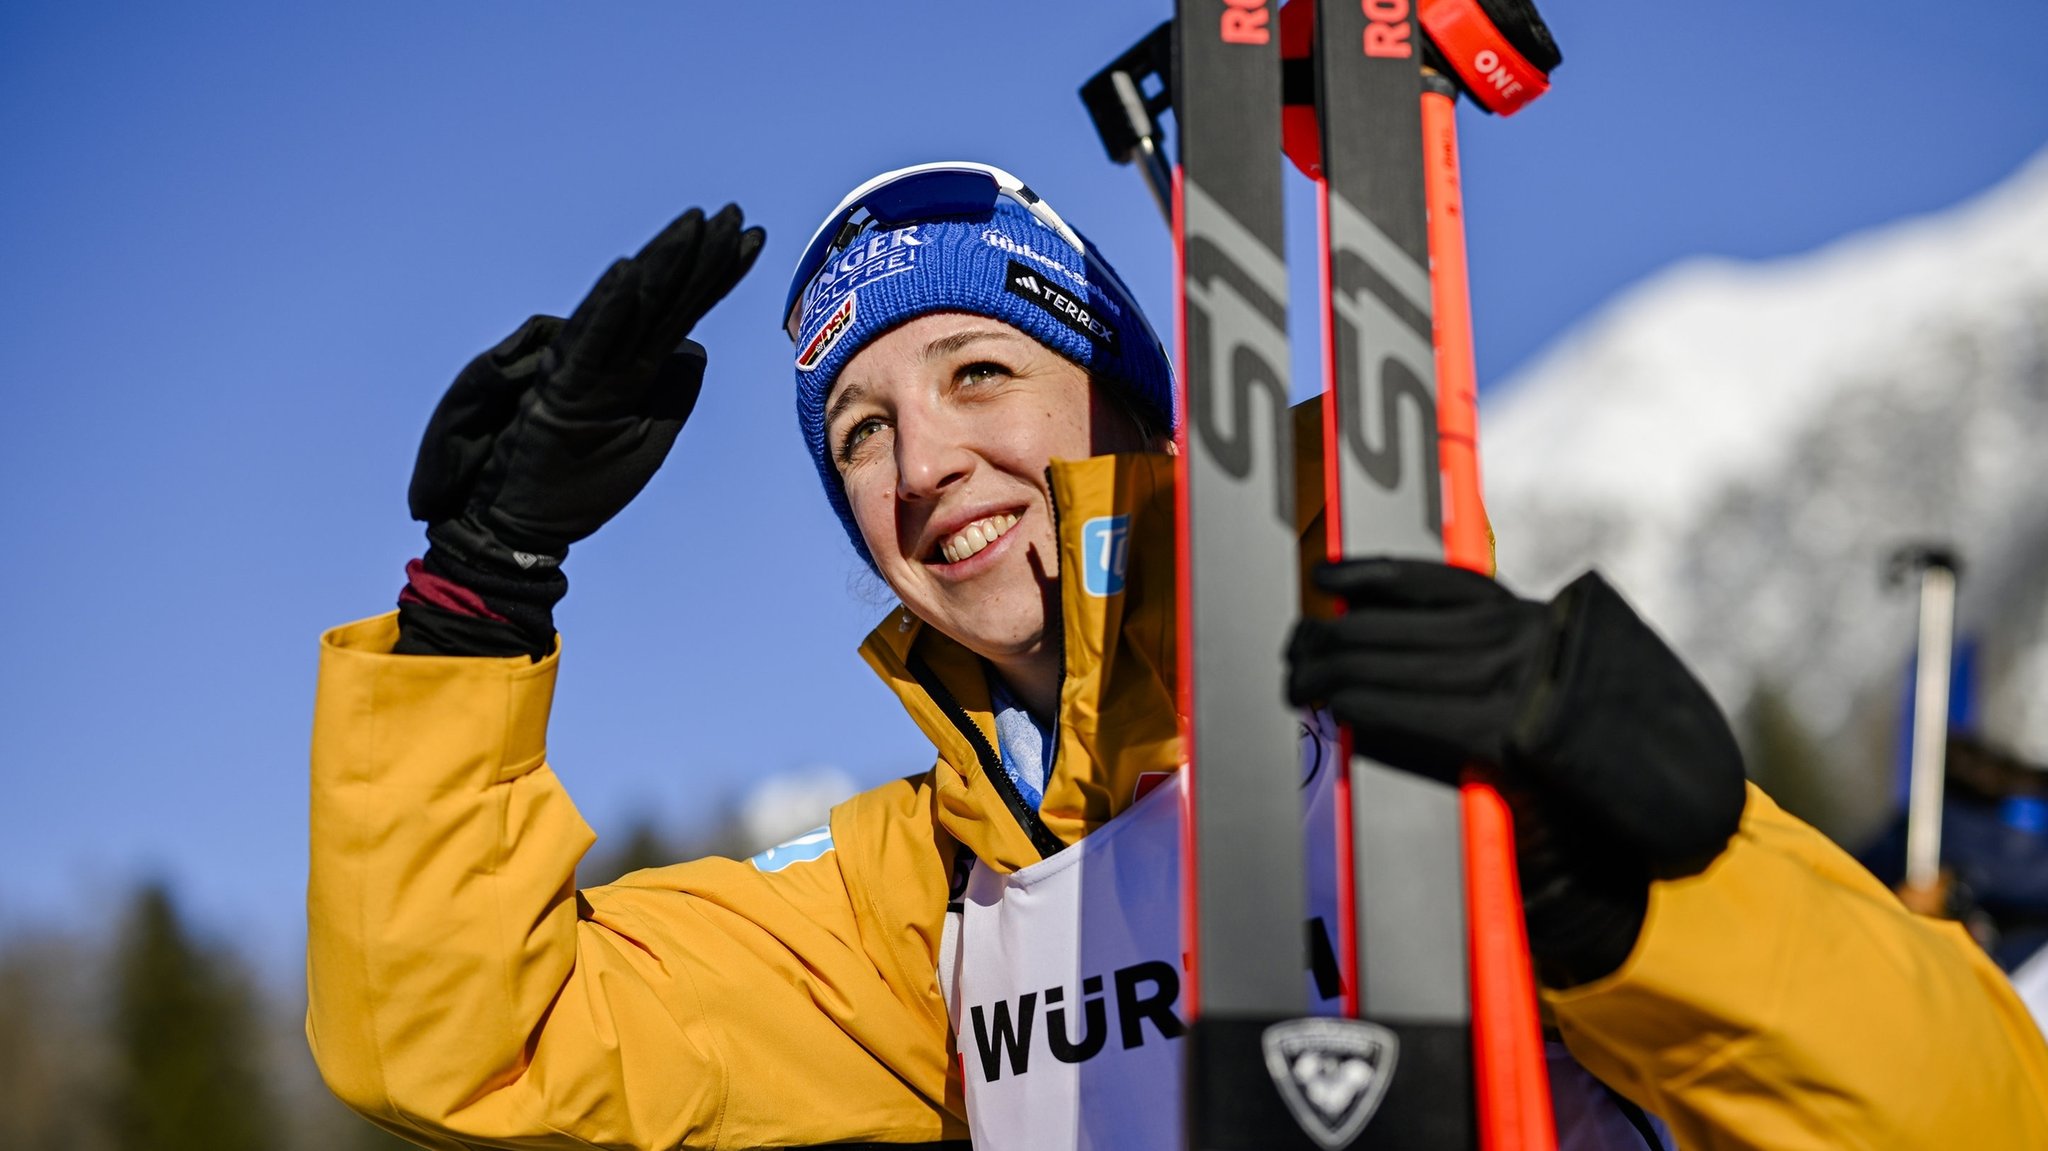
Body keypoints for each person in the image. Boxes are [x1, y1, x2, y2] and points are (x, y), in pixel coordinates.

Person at [307, 164, 2048, 1151]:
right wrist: (480, 595)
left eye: (981, 374)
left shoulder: (1421, 722)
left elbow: (1975, 1117)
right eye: (856, 432)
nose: (921, 469)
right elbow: (470, 1036)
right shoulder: (914, 904)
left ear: (1138, 416)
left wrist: (1654, 899)